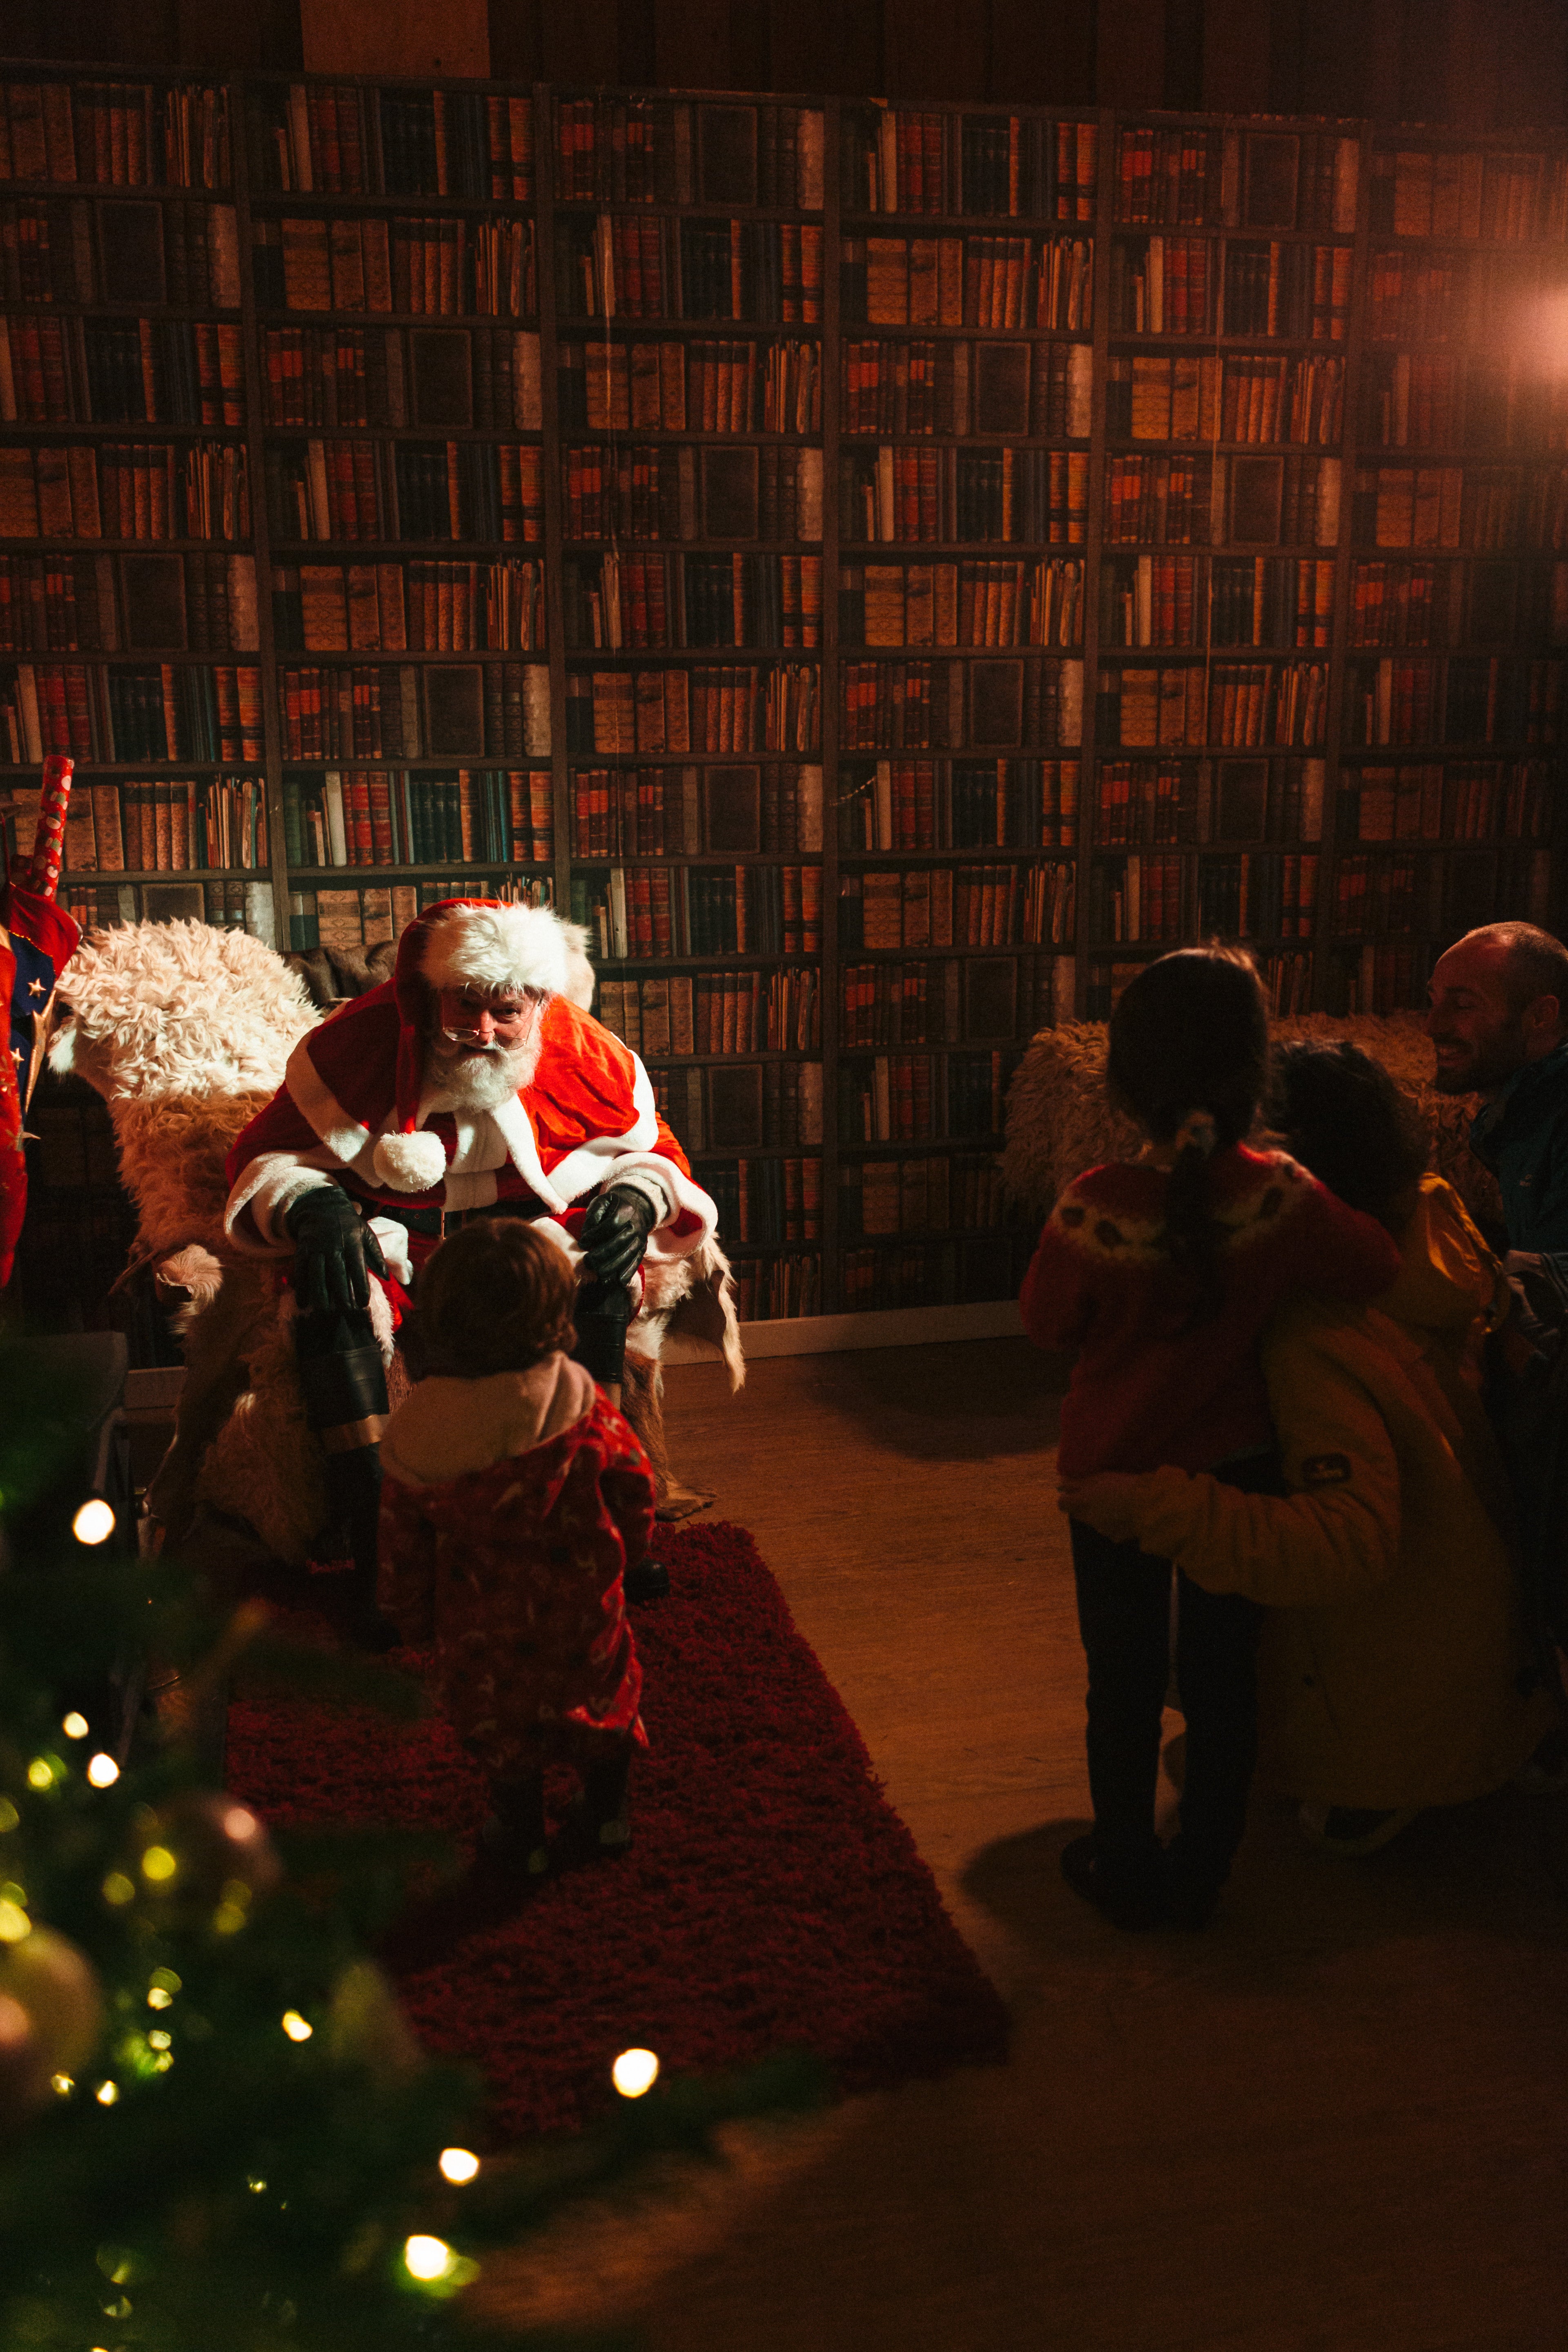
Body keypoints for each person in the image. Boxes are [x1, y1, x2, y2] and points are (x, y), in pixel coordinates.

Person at [1020, 948, 1403, 1931]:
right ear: (1253, 1069)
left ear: (1123, 1078)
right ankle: (1202, 1872)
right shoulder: (1281, 1194)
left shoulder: (1092, 1204)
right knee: (1223, 1683)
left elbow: (1044, 1323)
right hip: (1238, 1473)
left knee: (1122, 1683)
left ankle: (1122, 1860)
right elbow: (1376, 1265)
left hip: (1107, 1479)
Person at [223, 897, 716, 1628]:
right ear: (433, 992)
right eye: (465, 1005)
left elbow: (652, 1151)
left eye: (506, 1011)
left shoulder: (586, 1051)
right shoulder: (353, 1044)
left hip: (525, 1242)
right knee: (328, 1290)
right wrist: (311, 1205)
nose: (482, 1030)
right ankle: (377, 1543)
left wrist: (638, 1199)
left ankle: (603, 1522)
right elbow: (264, 1154)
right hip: (400, 1240)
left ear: (539, 1004)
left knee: (605, 1268)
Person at [377, 1216, 657, 1876]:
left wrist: (412, 1618)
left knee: (502, 1728)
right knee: (601, 1703)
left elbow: (400, 1547)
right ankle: (607, 1815)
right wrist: (630, 1555)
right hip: (583, 1608)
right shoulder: (579, 1404)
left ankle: (521, 1833)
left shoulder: (420, 1435)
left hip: (479, 1631)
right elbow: (634, 1485)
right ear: (555, 1313)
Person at [1426, 920, 1568, 1262]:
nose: (1431, 1026)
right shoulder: (1517, 1108)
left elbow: (1549, 1281)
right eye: (1433, 1001)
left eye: (1463, 1005)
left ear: (1541, 1016)